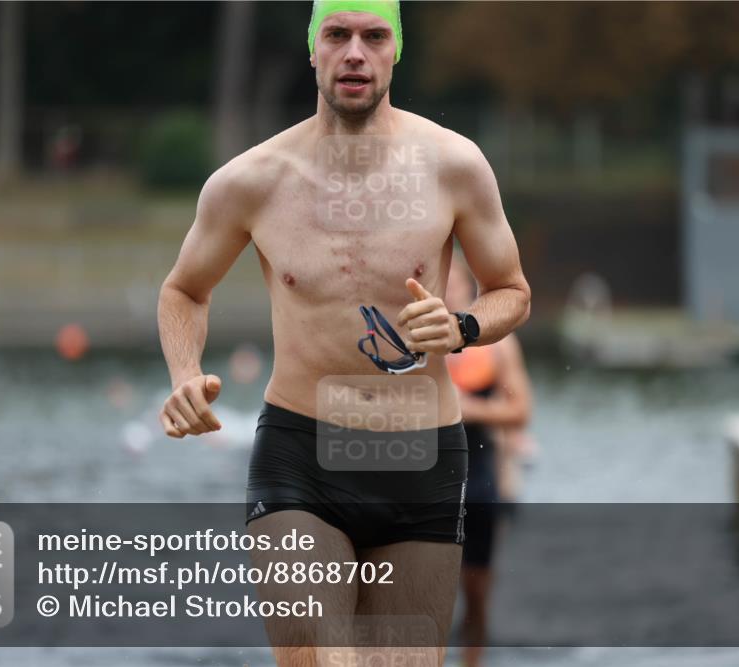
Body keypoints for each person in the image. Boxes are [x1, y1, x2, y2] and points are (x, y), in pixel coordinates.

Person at [157, 1, 530, 664]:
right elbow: (184, 290)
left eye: (374, 35)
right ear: (313, 49)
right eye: (337, 34)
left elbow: (513, 291)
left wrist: (462, 325)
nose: (355, 52)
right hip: (301, 456)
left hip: (421, 458)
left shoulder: (454, 165)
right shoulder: (251, 180)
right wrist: (185, 373)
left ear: (396, 50)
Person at [444, 255, 533, 667]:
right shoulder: (407, 344)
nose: (447, 293)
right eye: (439, 285)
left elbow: (521, 411)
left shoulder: (497, 345)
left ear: (469, 289)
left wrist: (467, 409)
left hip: (478, 478)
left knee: (476, 592)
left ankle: (472, 658)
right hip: (421, 478)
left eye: (453, 284)